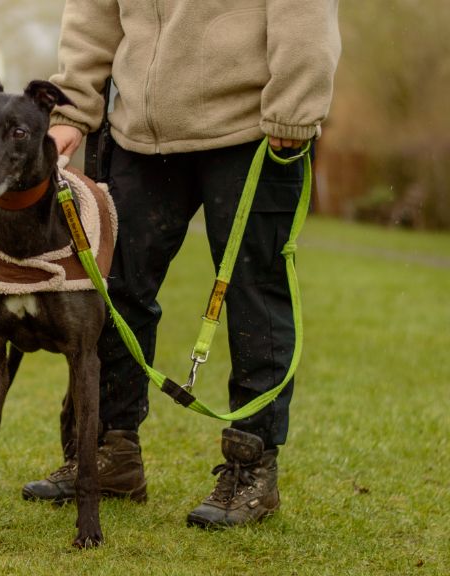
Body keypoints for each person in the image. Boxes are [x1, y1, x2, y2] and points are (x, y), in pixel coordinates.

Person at [21, 1, 341, 527]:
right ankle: (109, 453)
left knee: (254, 296)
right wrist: (74, 108)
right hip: (139, 137)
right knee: (113, 291)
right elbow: (93, 12)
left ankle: (251, 468)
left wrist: (295, 102)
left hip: (251, 131)